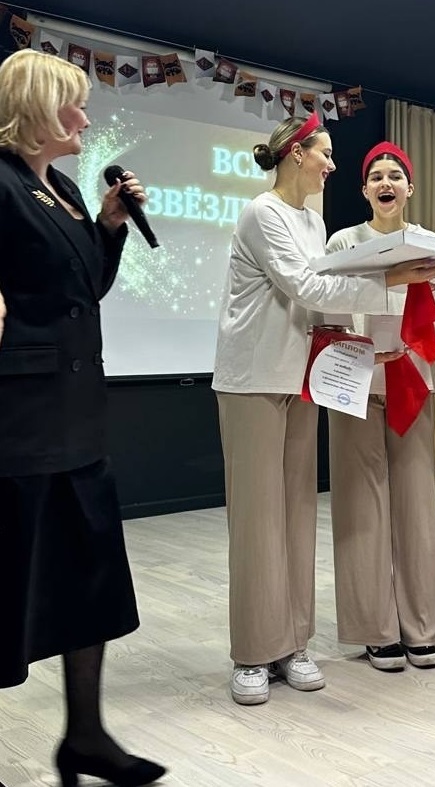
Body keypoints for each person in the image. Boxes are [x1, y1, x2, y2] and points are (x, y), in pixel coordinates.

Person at [212, 114, 435, 705]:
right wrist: (395, 278)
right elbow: (306, 287)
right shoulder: (262, 213)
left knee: (295, 515)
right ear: (297, 154)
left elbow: (322, 307)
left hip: (299, 377)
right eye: (326, 153)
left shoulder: (311, 220)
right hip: (252, 379)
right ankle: (252, 652)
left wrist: (366, 345)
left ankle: (292, 644)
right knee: (258, 520)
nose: (333, 165)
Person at [0, 50, 166, 785]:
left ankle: (86, 737)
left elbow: (84, 287)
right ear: (38, 108)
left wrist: (110, 225)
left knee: (88, 580)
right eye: (75, 104)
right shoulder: (1, 183)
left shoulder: (63, 188)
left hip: (76, 419)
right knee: (8, 586)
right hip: (18, 422)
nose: (86, 118)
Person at [325, 142, 435, 671]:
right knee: (362, 507)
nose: (385, 182)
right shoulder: (344, 241)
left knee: (417, 506)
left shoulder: (429, 244)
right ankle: (375, 629)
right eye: (376, 175)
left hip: (412, 380)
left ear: (409, 188)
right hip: (355, 381)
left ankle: (422, 626)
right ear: (364, 190)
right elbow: (328, 308)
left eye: (394, 175)